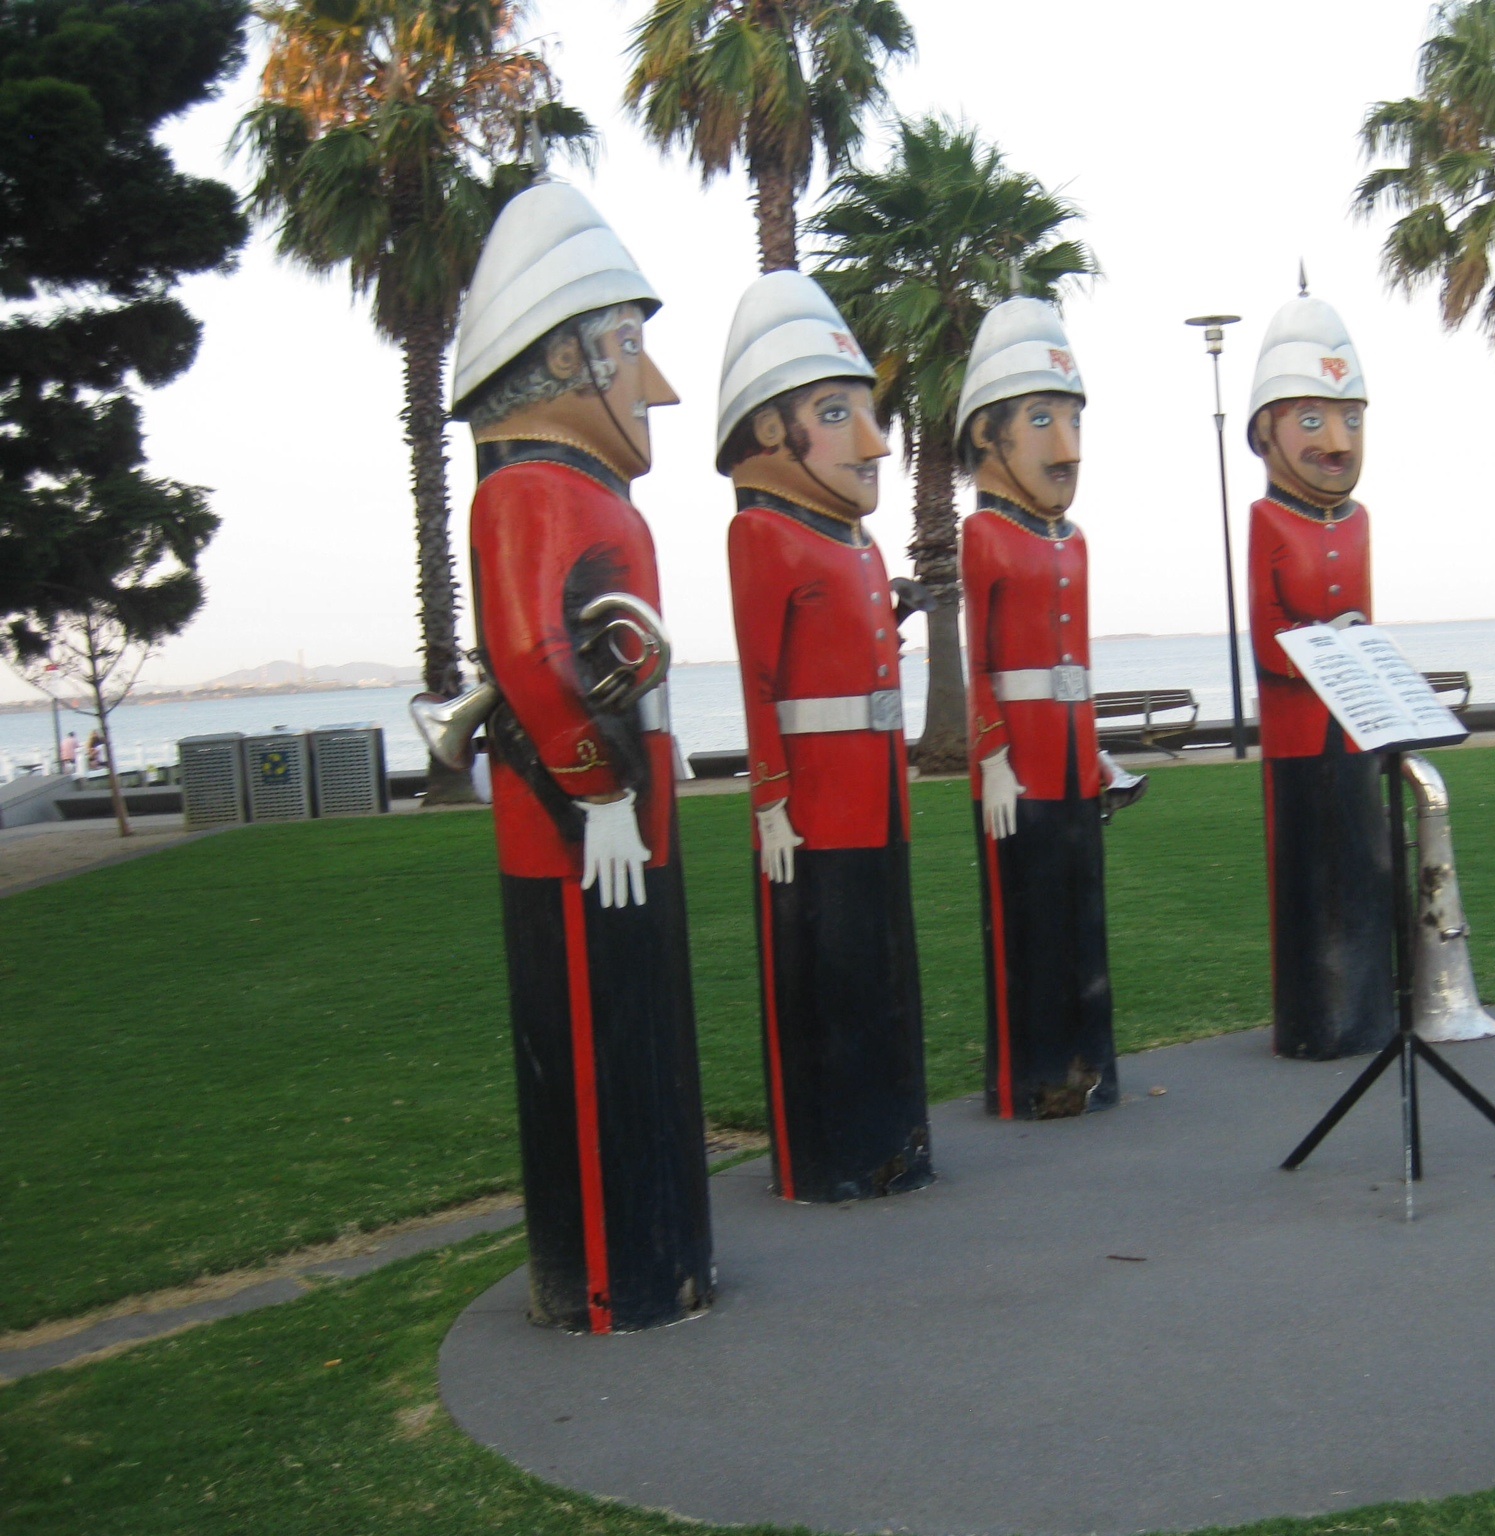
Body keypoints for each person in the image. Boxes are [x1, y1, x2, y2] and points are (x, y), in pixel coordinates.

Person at [443, 180, 712, 1331]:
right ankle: (613, 1280)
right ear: (563, 358)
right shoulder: (526, 491)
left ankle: (658, 1257)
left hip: (620, 813)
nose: (654, 385)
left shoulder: (577, 492)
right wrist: (598, 789)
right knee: (598, 1031)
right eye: (627, 346)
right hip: (578, 825)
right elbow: (531, 654)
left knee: (641, 1023)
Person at [719, 271, 933, 1204]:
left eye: (867, 413)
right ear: (772, 429)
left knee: (884, 966)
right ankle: (839, 1150)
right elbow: (759, 677)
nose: (873, 443)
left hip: (876, 785)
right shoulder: (763, 533)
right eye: (837, 413)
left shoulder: (859, 543)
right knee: (832, 968)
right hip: (818, 795)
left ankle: (893, 1137)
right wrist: (771, 798)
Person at [957, 297, 1133, 1120]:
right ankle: (1029, 1078)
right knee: (1025, 921)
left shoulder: (1074, 540)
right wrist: (992, 756)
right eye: (1040, 420)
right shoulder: (985, 535)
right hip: (1020, 766)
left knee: (1081, 918)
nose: (1067, 448)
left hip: (1068, 757)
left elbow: (1077, 666)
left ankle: (1090, 1065)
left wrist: (1094, 753)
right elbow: (979, 663)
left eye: (1072, 420)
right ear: (987, 434)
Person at [1244, 291, 1396, 1060]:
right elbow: (1267, 634)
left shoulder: (1357, 520)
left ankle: (1368, 1011)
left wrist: (1361, 655)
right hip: (1299, 734)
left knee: (1364, 864)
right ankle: (1315, 1018)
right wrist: (1318, 646)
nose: (1337, 443)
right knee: (1310, 872)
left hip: (1355, 724)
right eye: (1311, 420)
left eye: (1351, 420)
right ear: (1266, 430)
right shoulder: (1269, 520)